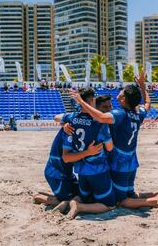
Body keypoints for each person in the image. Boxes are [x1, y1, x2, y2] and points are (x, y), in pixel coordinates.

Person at [70, 70, 158, 213]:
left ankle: (155, 201)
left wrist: (81, 102)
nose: (119, 93)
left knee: (120, 201)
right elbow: (147, 103)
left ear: (123, 100)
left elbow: (101, 117)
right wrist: (142, 85)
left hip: (119, 163)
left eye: (122, 93)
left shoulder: (120, 114)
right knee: (130, 194)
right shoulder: (138, 113)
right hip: (132, 161)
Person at [33, 95, 113, 212]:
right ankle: (42, 198)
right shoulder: (75, 125)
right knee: (77, 199)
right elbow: (67, 157)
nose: (108, 110)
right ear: (93, 108)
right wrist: (64, 124)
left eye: (110, 106)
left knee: (84, 195)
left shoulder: (82, 122)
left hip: (67, 172)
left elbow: (58, 118)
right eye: (104, 107)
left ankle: (55, 196)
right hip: (58, 172)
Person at [61, 88, 116, 219]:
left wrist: (64, 124)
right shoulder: (99, 123)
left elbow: (57, 117)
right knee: (110, 205)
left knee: (86, 197)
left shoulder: (72, 119)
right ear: (91, 101)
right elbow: (109, 148)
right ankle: (79, 207)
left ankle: (70, 202)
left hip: (81, 171)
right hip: (98, 170)